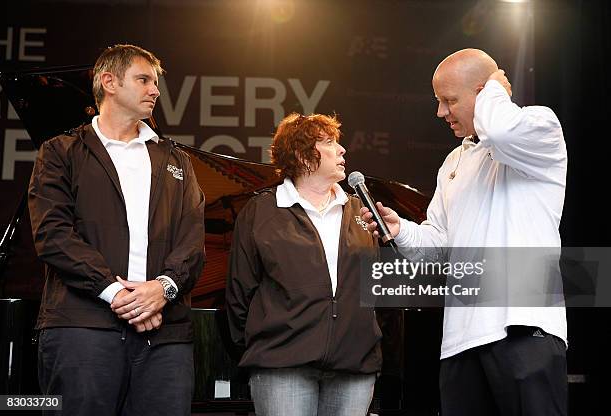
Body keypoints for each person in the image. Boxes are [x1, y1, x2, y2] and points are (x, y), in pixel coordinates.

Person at [361, 49, 568, 415]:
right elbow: (439, 246)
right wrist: (402, 230)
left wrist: (495, 89)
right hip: (460, 341)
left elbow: (501, 131)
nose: (441, 112)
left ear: (484, 91)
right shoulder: (453, 162)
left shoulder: (539, 127)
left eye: (449, 100)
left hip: (523, 329)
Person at [28, 44, 205, 415]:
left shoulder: (177, 160)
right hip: (81, 329)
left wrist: (163, 288)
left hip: (166, 336)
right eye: (143, 80)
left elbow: (192, 242)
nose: (155, 90)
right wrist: (117, 294)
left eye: (155, 83)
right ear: (108, 81)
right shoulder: (60, 152)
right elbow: (54, 236)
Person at [225, 113, 381, 416]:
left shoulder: (360, 210)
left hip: (354, 367)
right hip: (282, 366)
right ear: (302, 154)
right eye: (329, 142)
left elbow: (373, 288)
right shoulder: (261, 211)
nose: (342, 150)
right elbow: (238, 294)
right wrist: (267, 347)